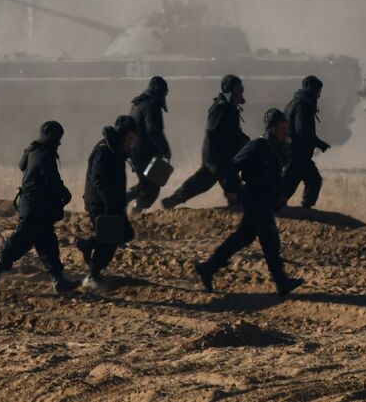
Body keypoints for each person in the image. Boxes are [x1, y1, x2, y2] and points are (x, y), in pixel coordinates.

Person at [194, 108, 305, 297]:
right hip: (253, 197)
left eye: (286, 128)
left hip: (263, 199)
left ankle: (209, 267)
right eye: (281, 128)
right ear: (272, 129)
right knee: (270, 237)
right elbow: (233, 165)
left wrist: (280, 194)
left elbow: (275, 177)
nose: (285, 132)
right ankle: (281, 281)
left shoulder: (279, 149)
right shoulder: (257, 146)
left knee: (243, 237)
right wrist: (231, 188)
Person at [0, 121, 81, 294]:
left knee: (47, 243)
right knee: (21, 241)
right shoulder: (44, 157)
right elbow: (52, 182)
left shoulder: (35, 153)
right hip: (35, 208)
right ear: (52, 138)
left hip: (36, 207)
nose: (59, 143)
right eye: (58, 138)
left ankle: (59, 280)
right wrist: (65, 193)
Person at [161, 74, 249, 209]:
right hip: (216, 158)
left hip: (221, 158)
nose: (241, 94)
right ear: (232, 91)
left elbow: (233, 132)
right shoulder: (220, 108)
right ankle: (172, 201)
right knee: (212, 184)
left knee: (202, 183)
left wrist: (245, 141)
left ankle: (171, 201)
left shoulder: (229, 108)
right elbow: (215, 132)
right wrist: (218, 158)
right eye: (239, 90)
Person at [77, 117, 139, 291]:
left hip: (112, 202)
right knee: (110, 238)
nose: (131, 142)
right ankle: (93, 275)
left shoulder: (116, 149)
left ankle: (88, 244)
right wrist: (109, 203)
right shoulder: (104, 149)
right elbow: (98, 178)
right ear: (123, 134)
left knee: (126, 233)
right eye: (130, 138)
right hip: (100, 202)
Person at [279, 75, 330, 209]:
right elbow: (303, 131)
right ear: (313, 90)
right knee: (286, 188)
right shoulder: (303, 105)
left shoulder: (294, 103)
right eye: (318, 91)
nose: (319, 95)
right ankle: (276, 210)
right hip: (296, 154)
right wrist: (319, 143)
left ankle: (305, 209)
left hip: (298, 154)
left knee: (314, 180)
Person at [127, 76, 172, 212]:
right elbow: (153, 130)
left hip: (135, 151)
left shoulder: (138, 104)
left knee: (148, 186)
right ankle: (132, 207)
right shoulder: (152, 105)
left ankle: (132, 205)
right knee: (150, 188)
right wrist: (164, 149)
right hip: (144, 153)